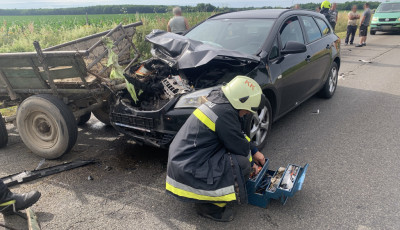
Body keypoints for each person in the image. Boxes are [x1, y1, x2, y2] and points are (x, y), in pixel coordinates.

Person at [166, 76, 267, 222]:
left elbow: (236, 135)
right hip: (188, 167)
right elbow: (239, 147)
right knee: (241, 164)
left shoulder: (220, 101)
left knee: (236, 158)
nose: (246, 113)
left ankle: (206, 196)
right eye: (247, 111)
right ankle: (210, 208)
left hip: (186, 160)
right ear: (240, 101)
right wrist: (252, 165)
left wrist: (254, 150)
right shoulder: (225, 113)